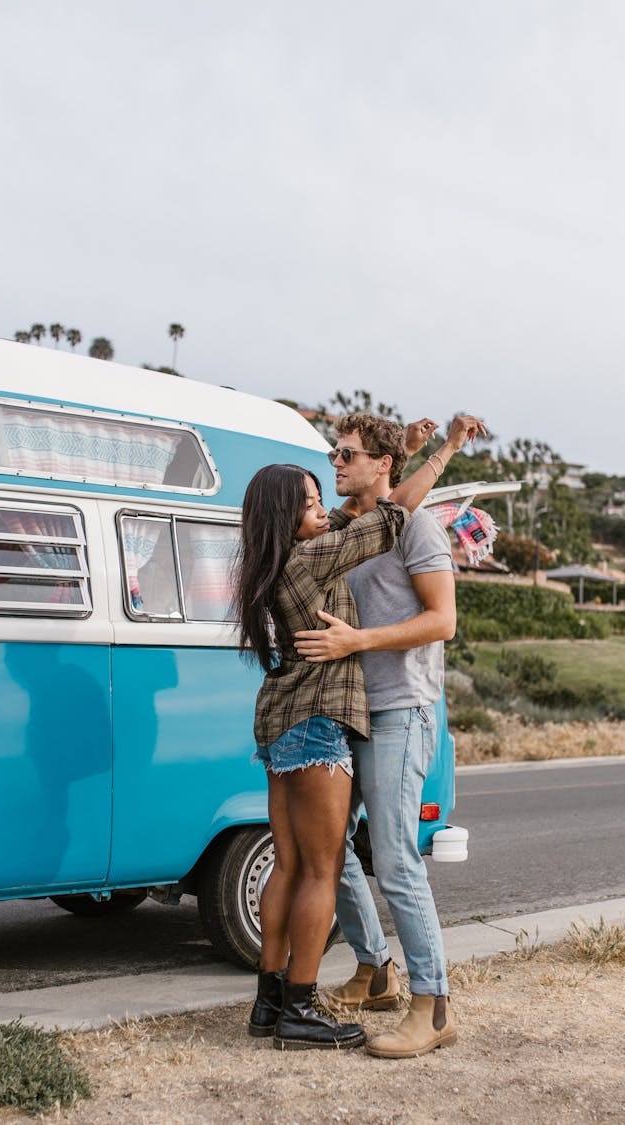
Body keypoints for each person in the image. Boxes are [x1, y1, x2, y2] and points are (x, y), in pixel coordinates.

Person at [235, 436, 467, 1052]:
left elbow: (371, 518)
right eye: (311, 503)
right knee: (323, 868)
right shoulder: (314, 557)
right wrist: (441, 455)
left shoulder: (282, 552)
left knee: (289, 864)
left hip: (281, 720)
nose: (325, 508)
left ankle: (272, 998)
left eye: (343, 461)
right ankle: (303, 1008)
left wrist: (410, 452)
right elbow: (390, 516)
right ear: (289, 516)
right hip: (318, 722)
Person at [293, 412, 485, 1059]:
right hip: (353, 711)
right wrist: (414, 449)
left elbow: (443, 620)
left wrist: (358, 640)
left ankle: (432, 1007)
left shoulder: (418, 528)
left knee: (398, 858)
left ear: (378, 465)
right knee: (331, 846)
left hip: (404, 708)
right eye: (333, 451)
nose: (335, 461)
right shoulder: (354, 526)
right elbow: (395, 490)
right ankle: (375, 969)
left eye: (346, 453)